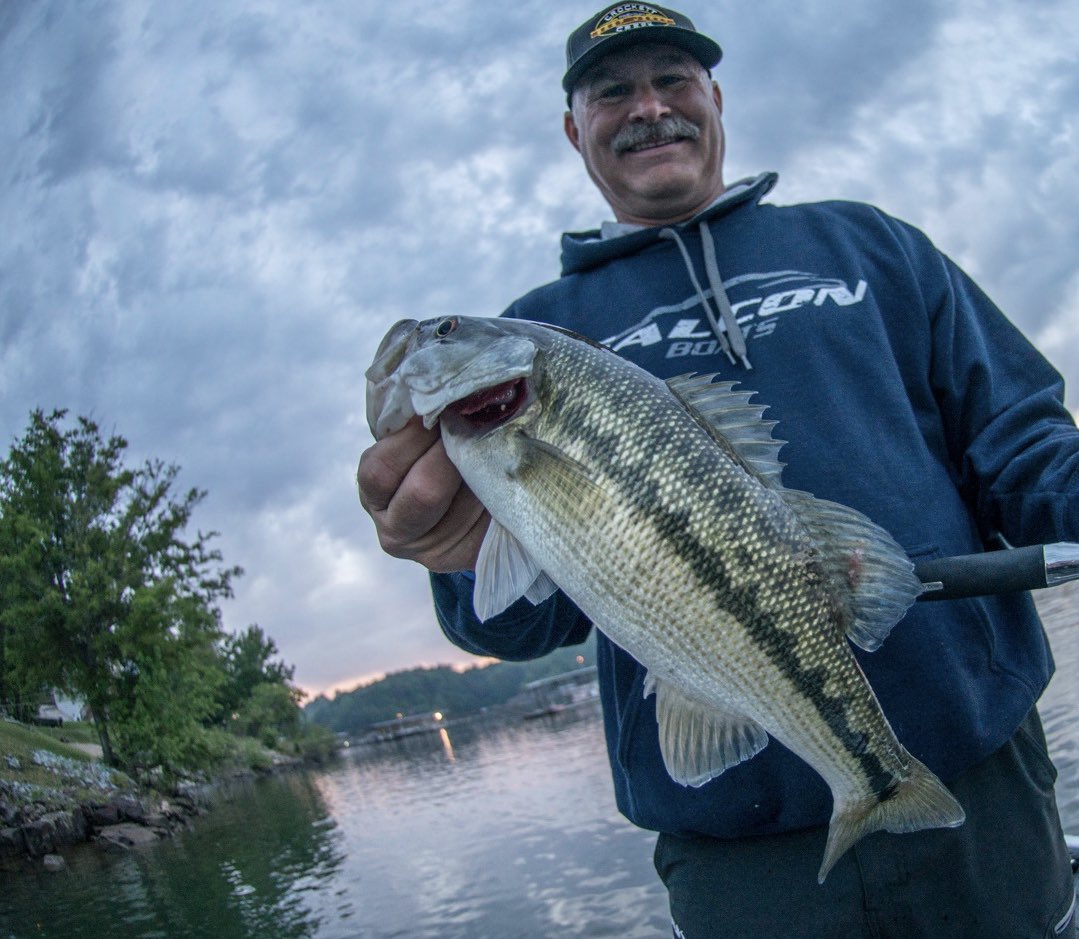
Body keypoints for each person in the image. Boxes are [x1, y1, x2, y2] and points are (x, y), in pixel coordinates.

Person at [358, 4, 1079, 935]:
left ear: (715, 98)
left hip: (979, 772)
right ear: (574, 130)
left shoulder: (870, 247)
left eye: (673, 80)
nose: (648, 107)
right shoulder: (541, 331)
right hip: (740, 853)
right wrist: (453, 560)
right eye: (612, 91)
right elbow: (519, 611)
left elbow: (1022, 447)